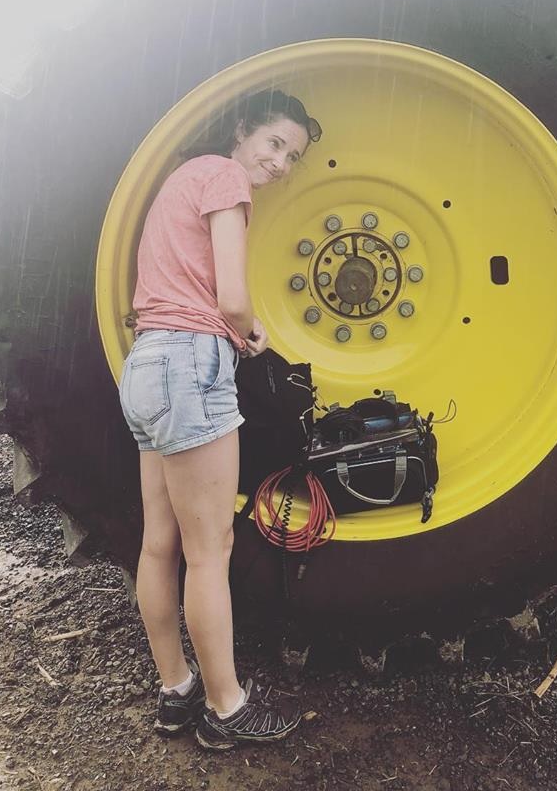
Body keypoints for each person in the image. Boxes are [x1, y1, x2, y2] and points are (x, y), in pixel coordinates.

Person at [118, 88, 322, 750]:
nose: (280, 162)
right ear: (242, 132)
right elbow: (231, 297)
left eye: (292, 155)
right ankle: (226, 707)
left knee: (159, 543)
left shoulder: (183, 177)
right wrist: (252, 332)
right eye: (274, 143)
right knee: (211, 551)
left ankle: (176, 690)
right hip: (189, 363)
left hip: (148, 361)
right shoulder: (226, 178)